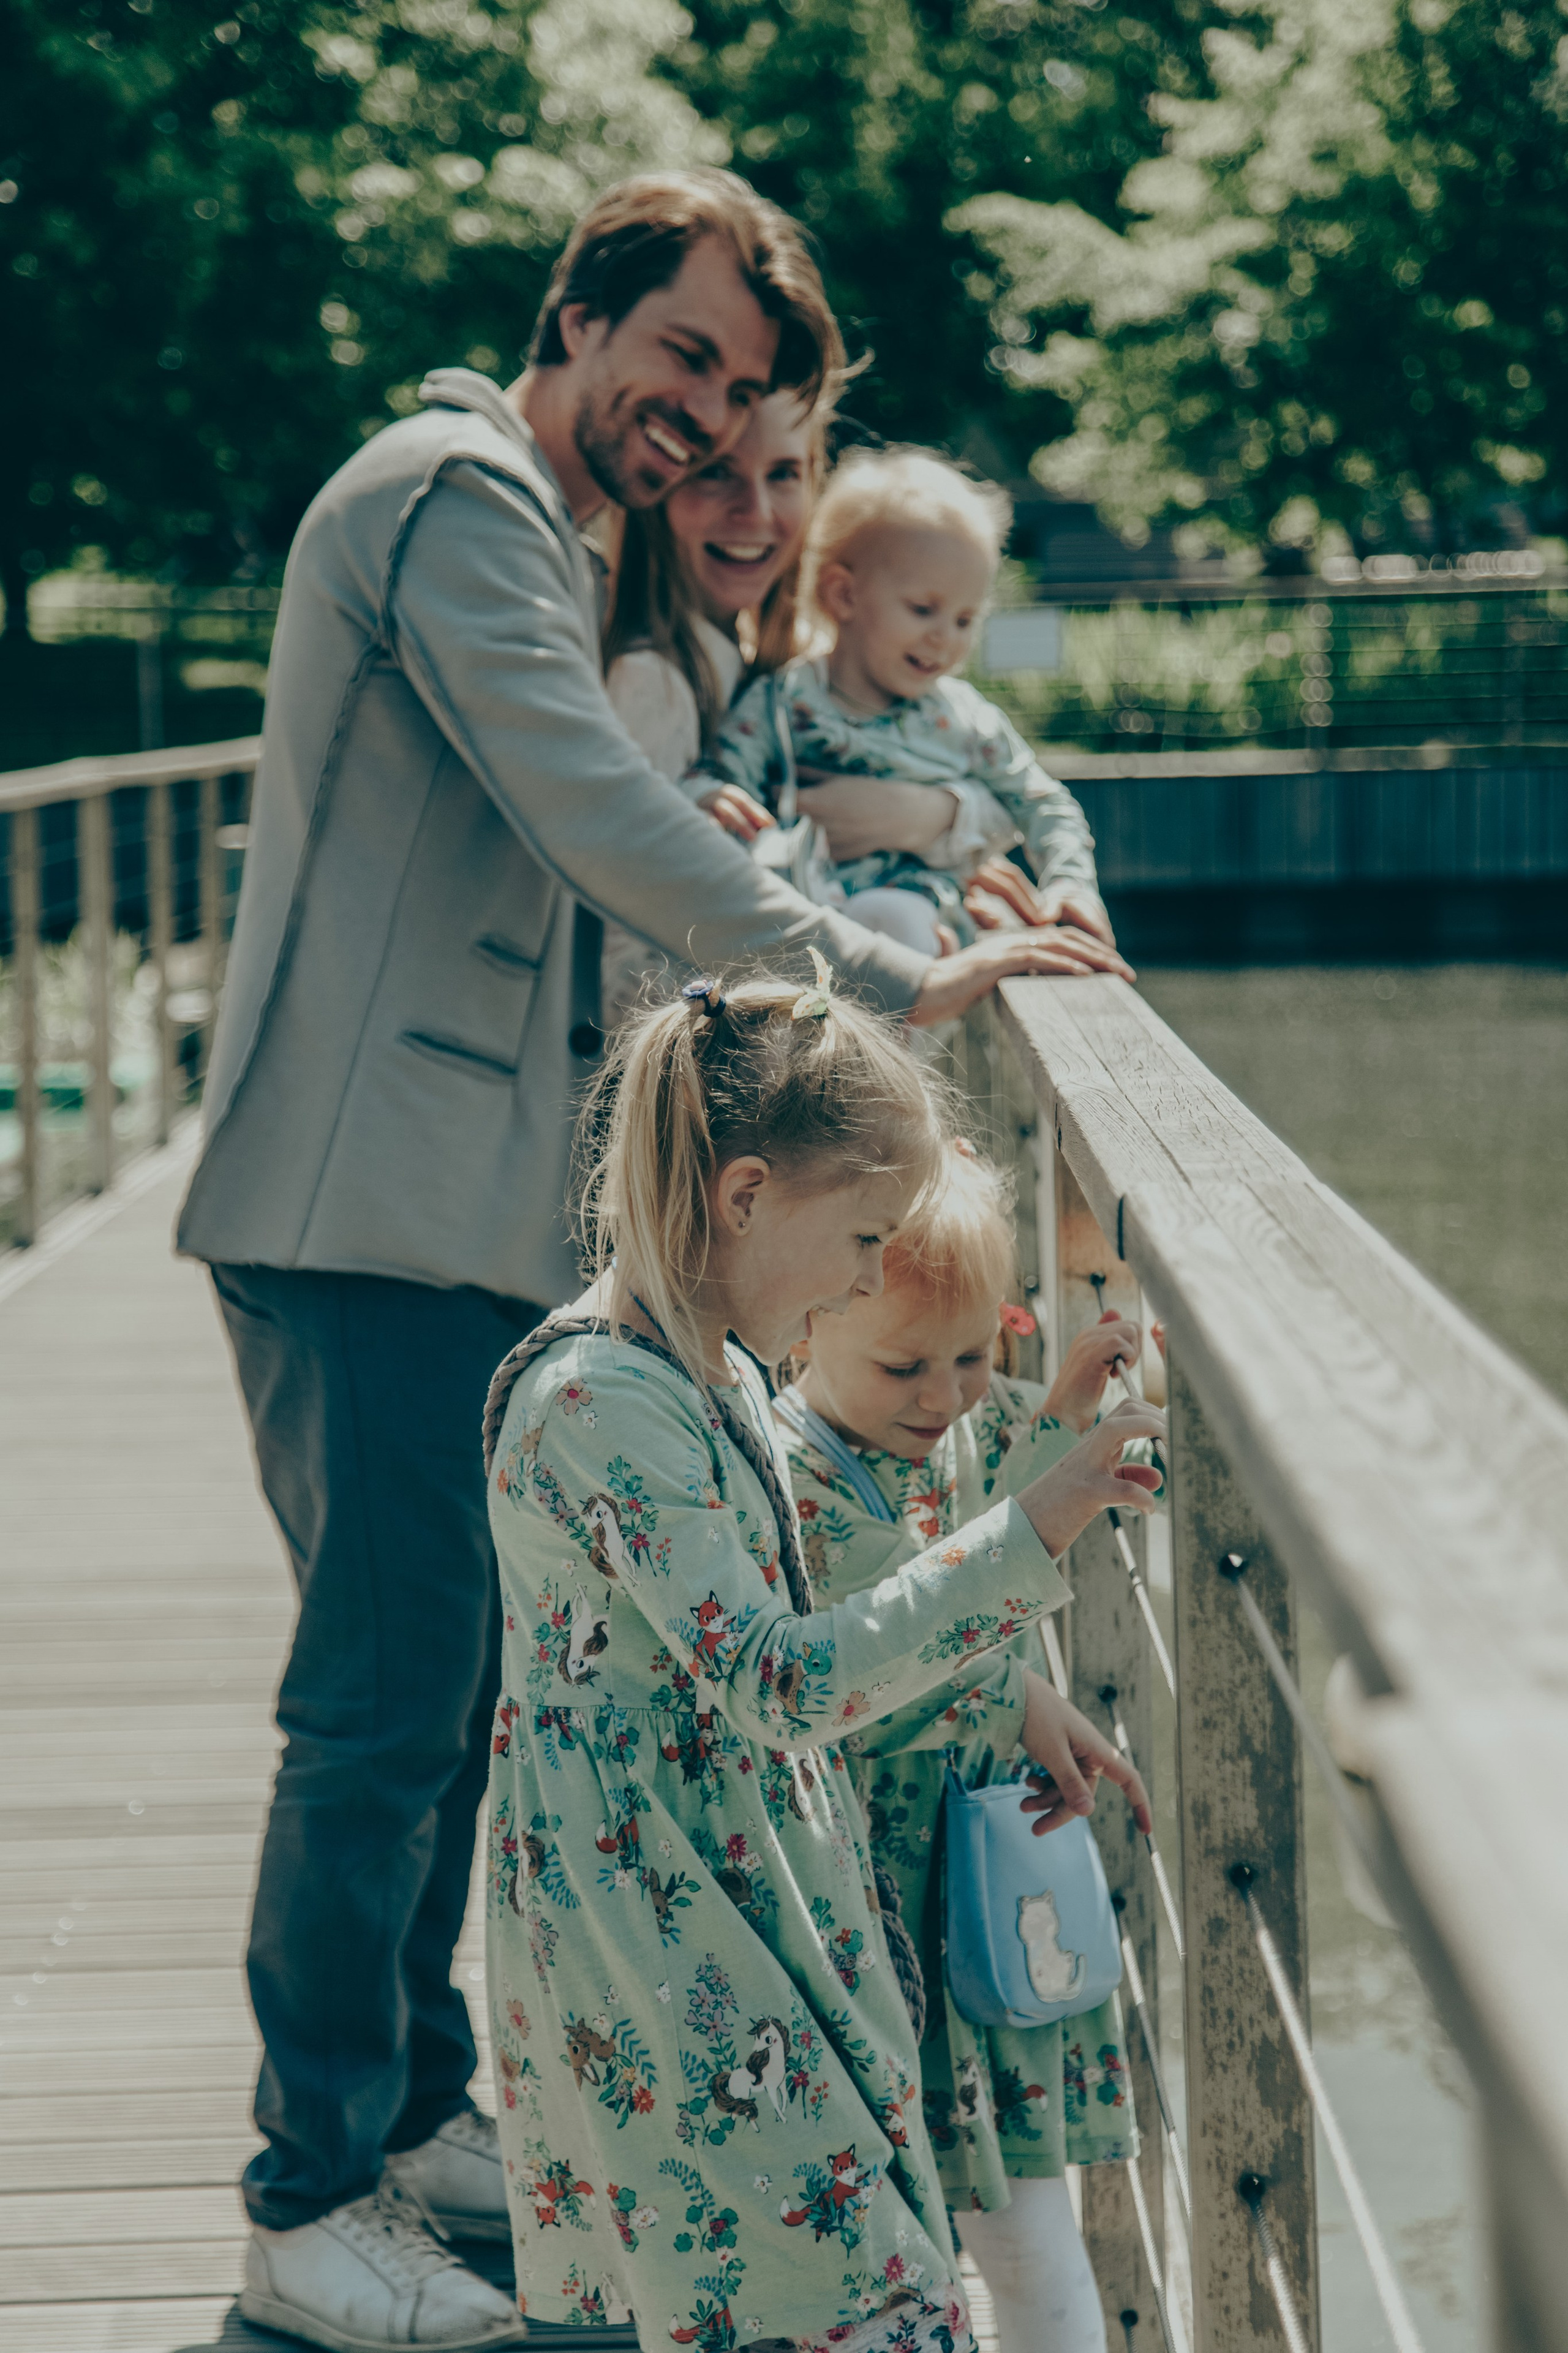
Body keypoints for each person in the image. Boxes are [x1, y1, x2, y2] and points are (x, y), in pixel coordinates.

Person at [181, 166, 1136, 2353]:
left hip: (457, 1218)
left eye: (742, 401)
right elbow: (585, 812)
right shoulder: (448, 495)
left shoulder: (586, 536)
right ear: (579, 317)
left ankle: (412, 2122)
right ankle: (302, 2193)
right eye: (679, 363)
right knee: (374, 1716)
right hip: (361, 1207)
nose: (702, 427)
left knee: (446, 1700)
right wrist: (881, 977)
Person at [480, 970, 1164, 2346]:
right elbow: (780, 1680)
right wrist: (1040, 1520)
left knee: (822, 2280)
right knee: (841, 2290)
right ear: (743, 1199)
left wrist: (1007, 1672)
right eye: (859, 1236)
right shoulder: (594, 1404)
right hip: (668, 1921)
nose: (867, 1276)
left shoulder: (714, 1371)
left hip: (737, 1884)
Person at [774, 1147, 1159, 2353]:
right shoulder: (790, 1483)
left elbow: (971, 1520)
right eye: (905, 1363)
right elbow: (895, 1643)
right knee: (911, 2240)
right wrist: (1020, 1689)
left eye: (974, 1357)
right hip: (878, 1917)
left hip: (973, 1907)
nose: (943, 1396)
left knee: (1032, 2240)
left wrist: (1050, 1419)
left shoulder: (926, 1426)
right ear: (800, 1328)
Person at [692, 447, 1117, 961]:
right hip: (797, 923)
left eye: (965, 620)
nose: (946, 639)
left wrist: (1071, 885)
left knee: (895, 920)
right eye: (923, 610)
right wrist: (708, 795)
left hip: (912, 919)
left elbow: (1042, 802)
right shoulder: (781, 703)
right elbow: (725, 791)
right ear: (844, 596)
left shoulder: (963, 718)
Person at [597, 385, 818, 1022]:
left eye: (784, 473)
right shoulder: (652, 683)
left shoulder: (752, 668)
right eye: (714, 472)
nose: (755, 510)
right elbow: (620, 964)